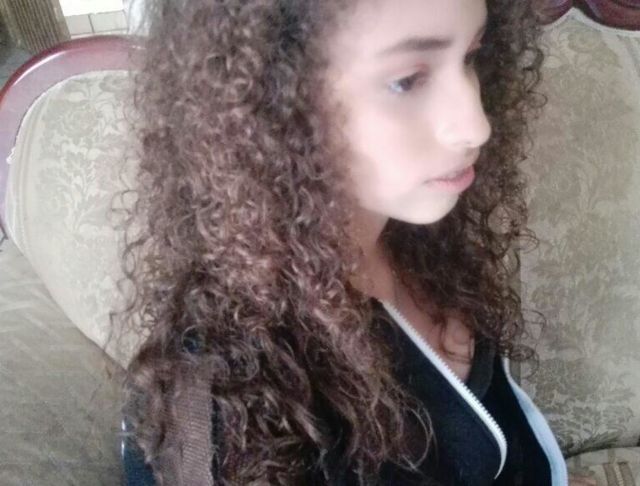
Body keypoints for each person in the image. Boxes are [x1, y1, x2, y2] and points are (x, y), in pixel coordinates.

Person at [110, 0, 585, 484]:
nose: (476, 125)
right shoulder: (223, 405)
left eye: (470, 55)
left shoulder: (427, 241)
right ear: (270, 101)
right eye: (407, 81)